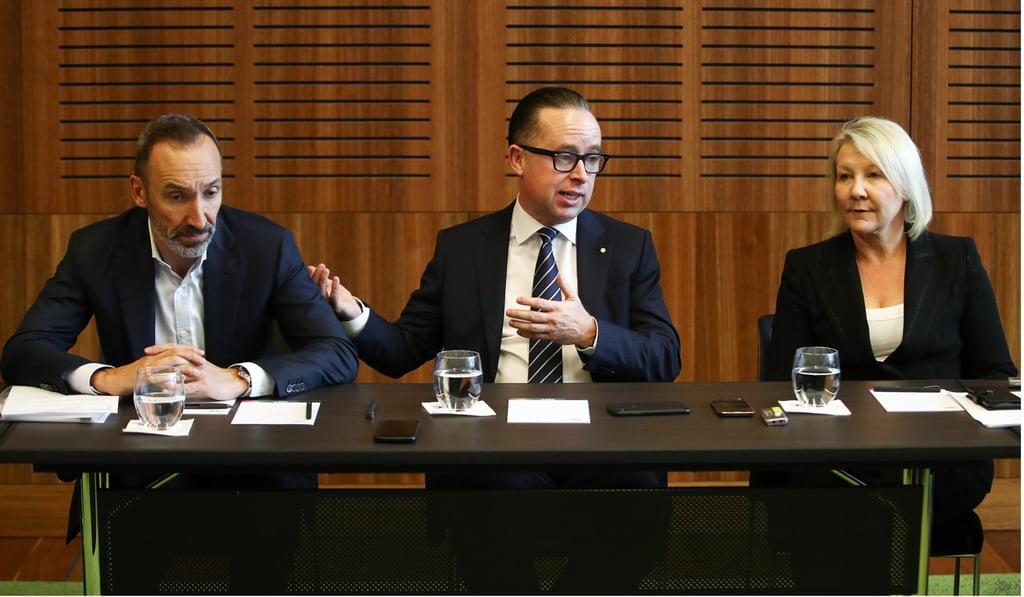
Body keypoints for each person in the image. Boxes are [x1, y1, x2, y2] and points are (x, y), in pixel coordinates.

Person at [309, 86, 681, 593]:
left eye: (592, 159)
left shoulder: (627, 246)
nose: (581, 175)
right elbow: (399, 352)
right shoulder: (463, 249)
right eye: (565, 157)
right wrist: (351, 313)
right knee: (483, 498)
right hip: (497, 444)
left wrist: (590, 332)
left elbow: (665, 357)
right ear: (516, 158)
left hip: (602, 442)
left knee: (636, 496)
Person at [0, 113, 360, 593]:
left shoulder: (266, 246)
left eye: (211, 192)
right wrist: (108, 377)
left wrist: (238, 379)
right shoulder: (95, 250)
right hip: (143, 470)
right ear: (138, 191)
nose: (199, 217)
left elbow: (336, 351)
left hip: (252, 471)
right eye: (177, 196)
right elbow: (23, 350)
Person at [757, 116, 1018, 592]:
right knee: (837, 504)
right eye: (844, 175)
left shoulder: (956, 260)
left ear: (905, 185)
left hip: (940, 457)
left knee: (873, 511)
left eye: (873, 175)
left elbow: (996, 373)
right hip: (838, 456)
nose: (856, 190)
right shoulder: (808, 266)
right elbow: (782, 381)